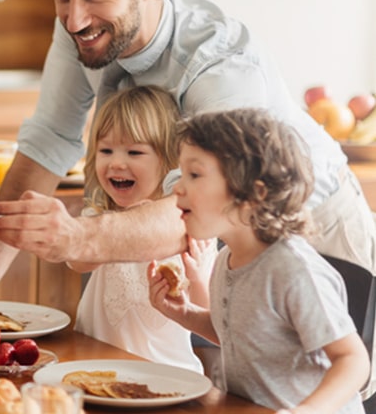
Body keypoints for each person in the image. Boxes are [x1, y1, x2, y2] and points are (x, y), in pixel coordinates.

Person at [0, 0, 375, 309]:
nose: (75, 19)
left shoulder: (220, 62)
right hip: (215, 239)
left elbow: (207, 202)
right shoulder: (82, 27)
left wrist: (78, 236)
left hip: (311, 226)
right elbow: (47, 142)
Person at [148, 108, 369, 413]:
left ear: (252, 193)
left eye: (194, 174)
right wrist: (185, 313)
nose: (178, 187)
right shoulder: (227, 260)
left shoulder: (293, 271)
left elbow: (353, 360)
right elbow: (239, 334)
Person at [71, 84, 215, 372]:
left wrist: (197, 278)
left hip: (166, 374)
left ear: (169, 160)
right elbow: (76, 260)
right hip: (94, 368)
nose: (116, 163)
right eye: (106, 150)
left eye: (134, 152)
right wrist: (115, 233)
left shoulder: (191, 228)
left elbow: (210, 318)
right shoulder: (100, 217)